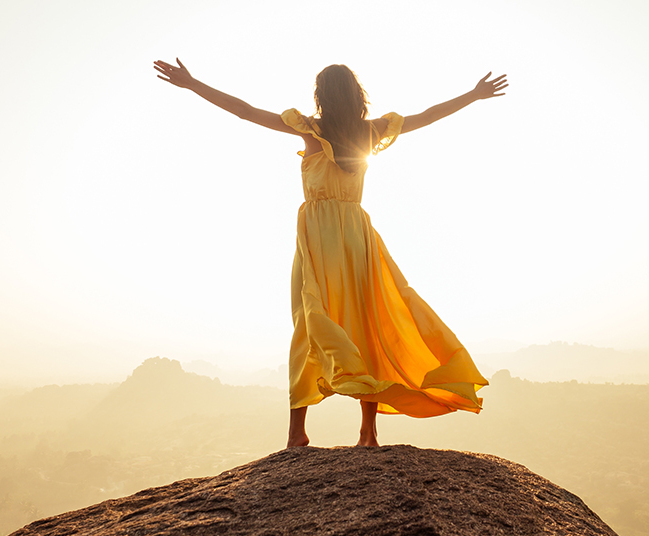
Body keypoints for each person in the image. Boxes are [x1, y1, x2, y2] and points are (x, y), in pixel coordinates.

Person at [154, 59, 507, 447]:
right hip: (357, 239)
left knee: (309, 324)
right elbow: (428, 116)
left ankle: (296, 434)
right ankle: (367, 433)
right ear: (357, 96)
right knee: (368, 324)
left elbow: (244, 111)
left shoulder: (309, 130)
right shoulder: (370, 132)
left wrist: (192, 84)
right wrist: (473, 95)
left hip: (319, 240)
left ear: (321, 97)